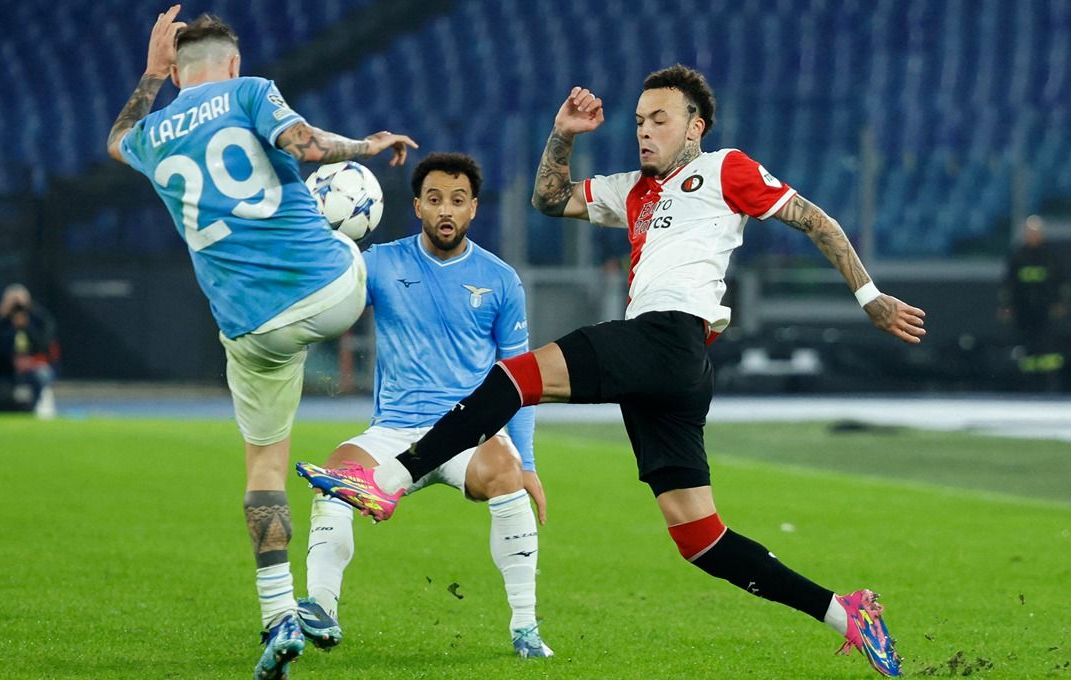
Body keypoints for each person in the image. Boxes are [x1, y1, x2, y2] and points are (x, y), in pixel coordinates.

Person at [298, 65, 925, 677]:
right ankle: (847, 615)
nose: (644, 131)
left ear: (695, 126)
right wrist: (564, 134)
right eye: (638, 121)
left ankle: (388, 479)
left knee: (514, 378)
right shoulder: (631, 189)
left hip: (669, 337)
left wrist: (869, 297)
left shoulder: (725, 169)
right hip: (673, 369)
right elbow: (548, 200)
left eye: (660, 119)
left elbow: (815, 219)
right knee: (698, 536)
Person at [105, 7, 417, 679]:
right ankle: (411, 424)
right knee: (373, 256)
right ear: (234, 64)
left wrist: (149, 74)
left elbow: (116, 139)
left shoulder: (154, 134)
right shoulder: (250, 92)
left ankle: (277, 617)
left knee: (264, 469)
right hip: (329, 292)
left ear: (179, 70)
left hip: (249, 329)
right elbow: (304, 147)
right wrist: (365, 148)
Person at [297, 152, 552, 658]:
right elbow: (327, 302)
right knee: (337, 475)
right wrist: (320, 248)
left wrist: (528, 464)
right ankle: (321, 609)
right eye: (434, 199)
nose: (445, 211)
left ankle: (526, 629)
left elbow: (521, 381)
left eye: (457, 201)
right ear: (417, 205)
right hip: (393, 430)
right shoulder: (380, 264)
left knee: (505, 472)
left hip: (467, 432)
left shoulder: (500, 280)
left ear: (474, 208)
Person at [998, 216, 1069, 389]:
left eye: (1035, 233)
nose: (1031, 236)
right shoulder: (1018, 257)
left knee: (1047, 346)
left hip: (1045, 310)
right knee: (1026, 346)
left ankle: (1049, 382)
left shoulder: (1050, 257)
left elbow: (1062, 283)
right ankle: (1028, 382)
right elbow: (1008, 284)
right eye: (1029, 232)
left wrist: (1061, 303)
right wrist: (1006, 306)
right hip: (1023, 309)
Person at [0, 284, 59, 414]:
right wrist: (5, 321)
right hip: (2, 366)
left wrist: (26, 326)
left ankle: (32, 410)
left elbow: (44, 346)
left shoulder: (39, 319)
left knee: (42, 376)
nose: (17, 309)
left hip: (32, 366)